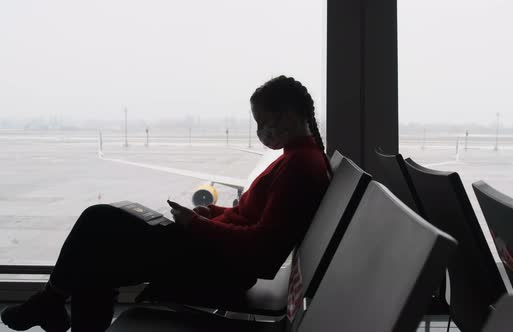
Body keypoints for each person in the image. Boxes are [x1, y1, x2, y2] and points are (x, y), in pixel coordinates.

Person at [1, 75, 331, 332]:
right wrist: (211, 213)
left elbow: (261, 251)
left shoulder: (299, 166)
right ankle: (51, 302)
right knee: (98, 247)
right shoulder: (301, 159)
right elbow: (250, 219)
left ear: (288, 115)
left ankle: (51, 300)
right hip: (219, 259)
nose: (260, 132)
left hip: (222, 270)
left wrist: (197, 225)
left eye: (263, 122)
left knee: (98, 221)